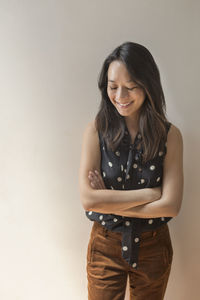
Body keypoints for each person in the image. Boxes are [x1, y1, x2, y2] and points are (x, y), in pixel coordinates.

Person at [79, 41, 184, 300]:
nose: (121, 97)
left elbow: (170, 207)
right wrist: (150, 194)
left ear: (148, 85)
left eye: (131, 87)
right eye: (113, 87)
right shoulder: (96, 130)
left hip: (153, 246)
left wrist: (108, 202)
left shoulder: (170, 136)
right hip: (105, 245)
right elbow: (89, 200)